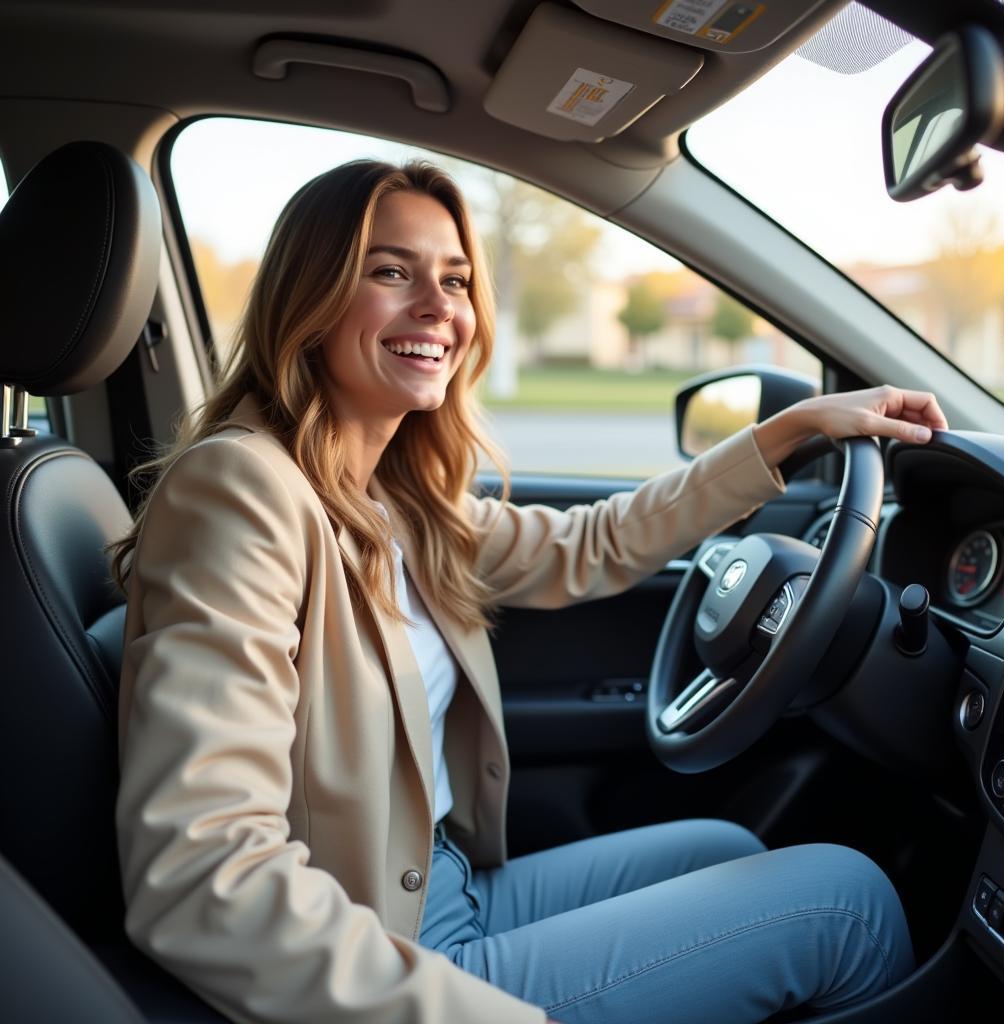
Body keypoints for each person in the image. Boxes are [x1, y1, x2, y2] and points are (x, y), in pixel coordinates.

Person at [113, 159, 947, 1024]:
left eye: (457, 280)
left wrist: (793, 431)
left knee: (727, 846)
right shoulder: (243, 493)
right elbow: (204, 873)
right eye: (391, 271)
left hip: (439, 883)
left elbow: (602, 540)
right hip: (372, 944)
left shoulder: (385, 498)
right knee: (844, 901)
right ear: (310, 297)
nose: (439, 308)